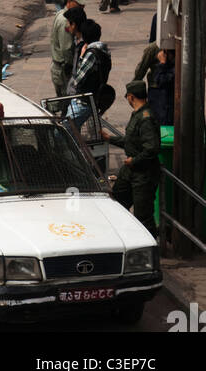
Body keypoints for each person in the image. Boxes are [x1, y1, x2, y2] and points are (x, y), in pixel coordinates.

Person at [101, 80, 161, 236]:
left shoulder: (146, 118)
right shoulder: (138, 115)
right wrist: (110, 138)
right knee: (118, 203)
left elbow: (152, 148)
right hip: (130, 170)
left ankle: (151, 248)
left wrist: (134, 160)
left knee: (143, 216)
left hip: (143, 174)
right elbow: (131, 140)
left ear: (131, 97)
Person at [67, 17, 112, 130]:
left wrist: (81, 56)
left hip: (83, 102)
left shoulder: (91, 54)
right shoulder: (104, 50)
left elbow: (77, 79)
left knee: (63, 132)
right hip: (94, 98)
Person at [49, 0, 86, 98]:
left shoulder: (60, 13)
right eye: (79, 4)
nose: (82, 7)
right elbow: (66, 49)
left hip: (59, 67)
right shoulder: (66, 21)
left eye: (83, 5)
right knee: (67, 102)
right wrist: (74, 68)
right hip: (63, 69)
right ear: (69, 2)